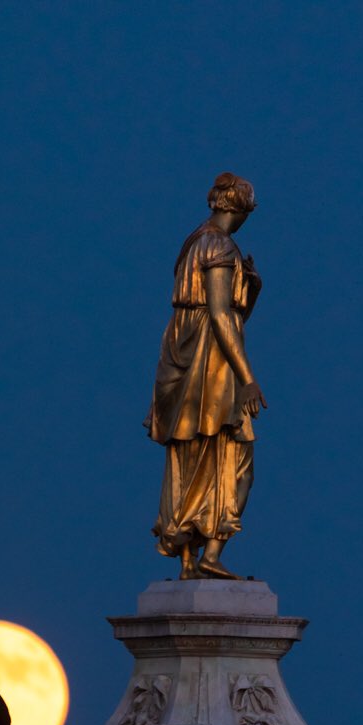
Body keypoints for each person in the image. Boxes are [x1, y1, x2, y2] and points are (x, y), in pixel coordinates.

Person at [146, 172, 266, 581]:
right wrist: (247, 376)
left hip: (187, 351)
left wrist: (251, 290)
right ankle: (211, 552)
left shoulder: (194, 241)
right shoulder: (219, 246)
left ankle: (190, 559)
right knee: (235, 456)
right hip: (211, 362)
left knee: (194, 451)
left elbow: (224, 311)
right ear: (241, 208)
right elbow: (219, 315)